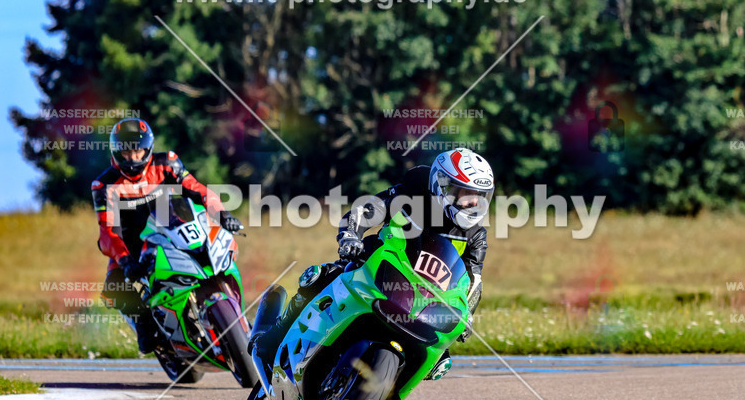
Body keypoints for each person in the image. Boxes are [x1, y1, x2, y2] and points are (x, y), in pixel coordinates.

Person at [252, 147, 493, 378]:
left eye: (480, 197)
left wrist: (466, 315)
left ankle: (383, 396)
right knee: (322, 276)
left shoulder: (476, 236)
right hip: (377, 266)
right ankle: (272, 338)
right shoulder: (412, 194)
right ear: (442, 186)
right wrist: (350, 236)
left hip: (423, 300)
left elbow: (472, 282)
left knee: (440, 359)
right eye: (465, 194)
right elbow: (368, 210)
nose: (474, 204)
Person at [92, 118, 243, 354]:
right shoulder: (103, 184)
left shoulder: (167, 163)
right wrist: (124, 260)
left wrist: (222, 214)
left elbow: (198, 189)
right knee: (114, 287)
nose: (133, 157)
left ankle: (231, 311)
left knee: (212, 253)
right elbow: (107, 231)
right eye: (127, 152)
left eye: (138, 150)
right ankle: (148, 327)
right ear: (116, 152)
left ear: (148, 148)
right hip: (131, 248)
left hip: (172, 231)